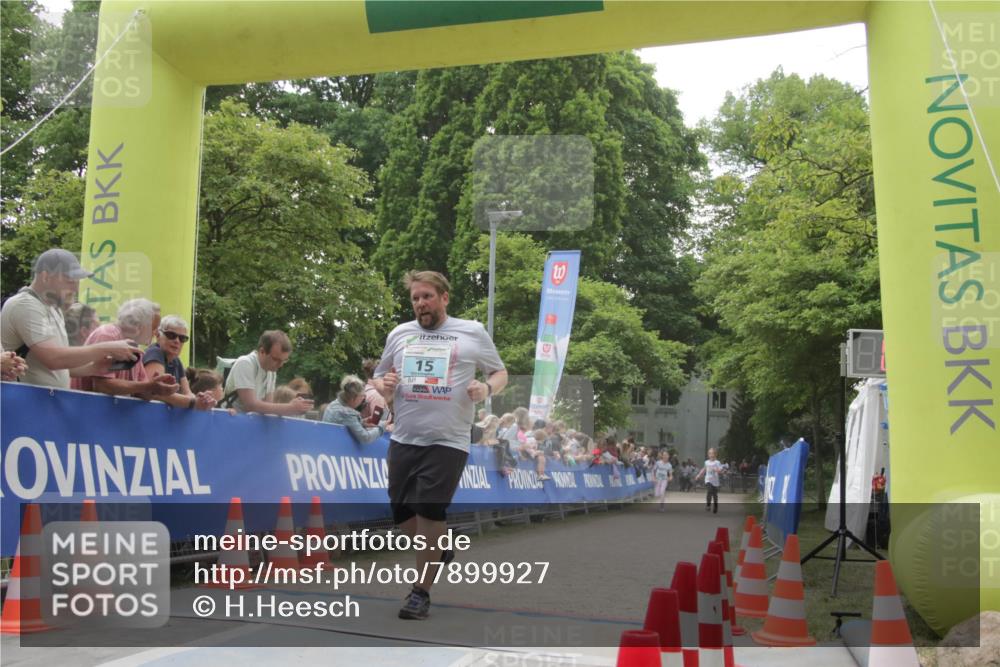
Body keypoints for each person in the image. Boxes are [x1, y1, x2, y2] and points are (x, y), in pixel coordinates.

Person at [375, 270, 508, 620]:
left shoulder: (472, 333)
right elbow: (377, 375)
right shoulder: (400, 334)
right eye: (415, 298)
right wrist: (384, 383)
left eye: (427, 296)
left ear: (444, 297)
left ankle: (420, 593)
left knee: (429, 511)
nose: (421, 303)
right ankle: (441, 546)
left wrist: (487, 389)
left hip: (449, 439)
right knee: (401, 513)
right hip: (404, 435)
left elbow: (499, 372)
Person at [1, 248, 139, 388]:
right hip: (23, 402)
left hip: (40, 402)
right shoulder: (25, 305)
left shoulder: (53, 308)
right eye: (70, 281)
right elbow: (54, 359)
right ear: (45, 277)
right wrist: (107, 348)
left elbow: (60, 367)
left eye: (77, 282)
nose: (76, 289)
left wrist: (94, 368)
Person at [72, 298, 179, 400]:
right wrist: (148, 386)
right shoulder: (108, 334)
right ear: (138, 325)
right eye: (154, 327)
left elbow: (142, 394)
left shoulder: (134, 348)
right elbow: (102, 386)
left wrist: (156, 388)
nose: (156, 333)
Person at [223, 330, 312, 416]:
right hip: (229, 422)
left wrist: (296, 408)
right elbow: (251, 405)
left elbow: (268, 407)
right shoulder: (245, 363)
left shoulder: (271, 371)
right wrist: (290, 408)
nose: (280, 365)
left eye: (284, 361)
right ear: (262, 351)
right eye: (276, 359)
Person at [142, 316, 216, 410]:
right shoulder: (154, 352)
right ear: (157, 335)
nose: (177, 341)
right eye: (171, 335)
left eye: (182, 338)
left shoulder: (176, 361)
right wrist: (193, 403)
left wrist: (202, 399)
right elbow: (156, 391)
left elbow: (187, 393)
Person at [323, 374, 388, 445]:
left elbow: (346, 422)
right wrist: (382, 427)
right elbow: (365, 438)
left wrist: (362, 422)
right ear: (353, 398)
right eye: (362, 396)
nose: (364, 399)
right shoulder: (346, 413)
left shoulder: (334, 404)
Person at [695, 448, 725, 514]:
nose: (712, 455)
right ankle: (708, 505)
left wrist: (717, 470)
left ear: (716, 454)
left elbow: (720, 471)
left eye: (713, 453)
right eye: (710, 453)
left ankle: (715, 506)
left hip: (715, 481)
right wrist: (698, 475)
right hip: (708, 479)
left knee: (715, 495)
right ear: (708, 455)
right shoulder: (706, 462)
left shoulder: (717, 462)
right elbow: (704, 469)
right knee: (709, 491)